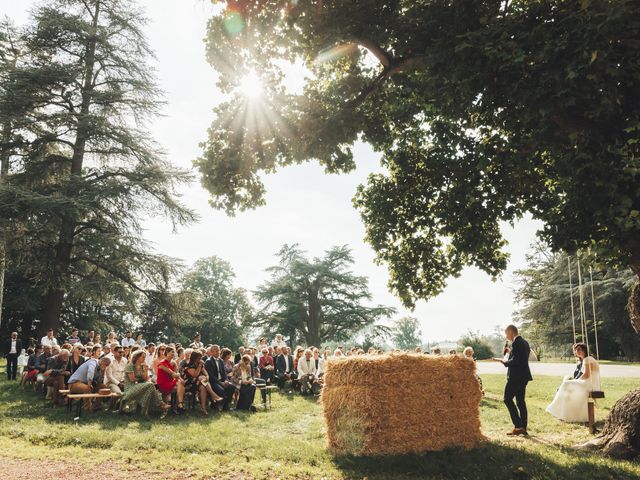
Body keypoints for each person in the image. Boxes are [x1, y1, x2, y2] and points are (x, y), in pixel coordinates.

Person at [493, 325, 533, 436]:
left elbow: (516, 361)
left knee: (507, 399)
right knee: (520, 402)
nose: (506, 336)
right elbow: (520, 358)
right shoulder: (525, 342)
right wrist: (509, 353)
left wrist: (504, 362)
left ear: (511, 332)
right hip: (524, 376)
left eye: (506, 333)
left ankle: (518, 426)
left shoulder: (516, 343)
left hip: (516, 377)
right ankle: (523, 427)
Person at [546, 343, 601, 423]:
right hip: (591, 383)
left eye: (579, 349)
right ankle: (566, 412)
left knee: (566, 384)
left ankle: (556, 409)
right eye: (576, 350)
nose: (577, 351)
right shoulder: (588, 359)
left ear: (584, 350)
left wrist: (576, 380)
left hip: (589, 384)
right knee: (567, 386)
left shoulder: (587, 359)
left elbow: (587, 374)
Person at [122, 350, 168, 417]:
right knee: (150, 385)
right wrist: (141, 379)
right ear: (137, 357)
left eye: (145, 357)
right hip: (130, 388)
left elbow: (146, 379)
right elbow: (132, 380)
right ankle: (160, 404)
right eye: (143, 357)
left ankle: (145, 412)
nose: (144, 358)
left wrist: (146, 370)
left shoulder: (142, 366)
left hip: (139, 386)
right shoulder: (130, 365)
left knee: (149, 388)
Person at [203, 345, 236, 411]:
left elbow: (224, 373)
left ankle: (225, 406)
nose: (218, 352)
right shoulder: (208, 361)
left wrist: (226, 380)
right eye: (216, 351)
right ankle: (215, 404)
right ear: (212, 352)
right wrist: (221, 383)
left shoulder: (221, 361)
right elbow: (211, 376)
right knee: (221, 390)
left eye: (219, 350)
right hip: (213, 382)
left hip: (222, 380)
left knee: (232, 387)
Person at [156, 347, 185, 412]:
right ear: (167, 353)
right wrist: (179, 378)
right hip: (163, 383)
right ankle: (179, 406)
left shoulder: (174, 362)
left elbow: (176, 373)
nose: (173, 353)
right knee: (180, 386)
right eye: (172, 352)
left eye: (174, 352)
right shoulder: (162, 363)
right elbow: (172, 373)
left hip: (170, 382)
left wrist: (181, 379)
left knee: (181, 385)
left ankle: (179, 405)